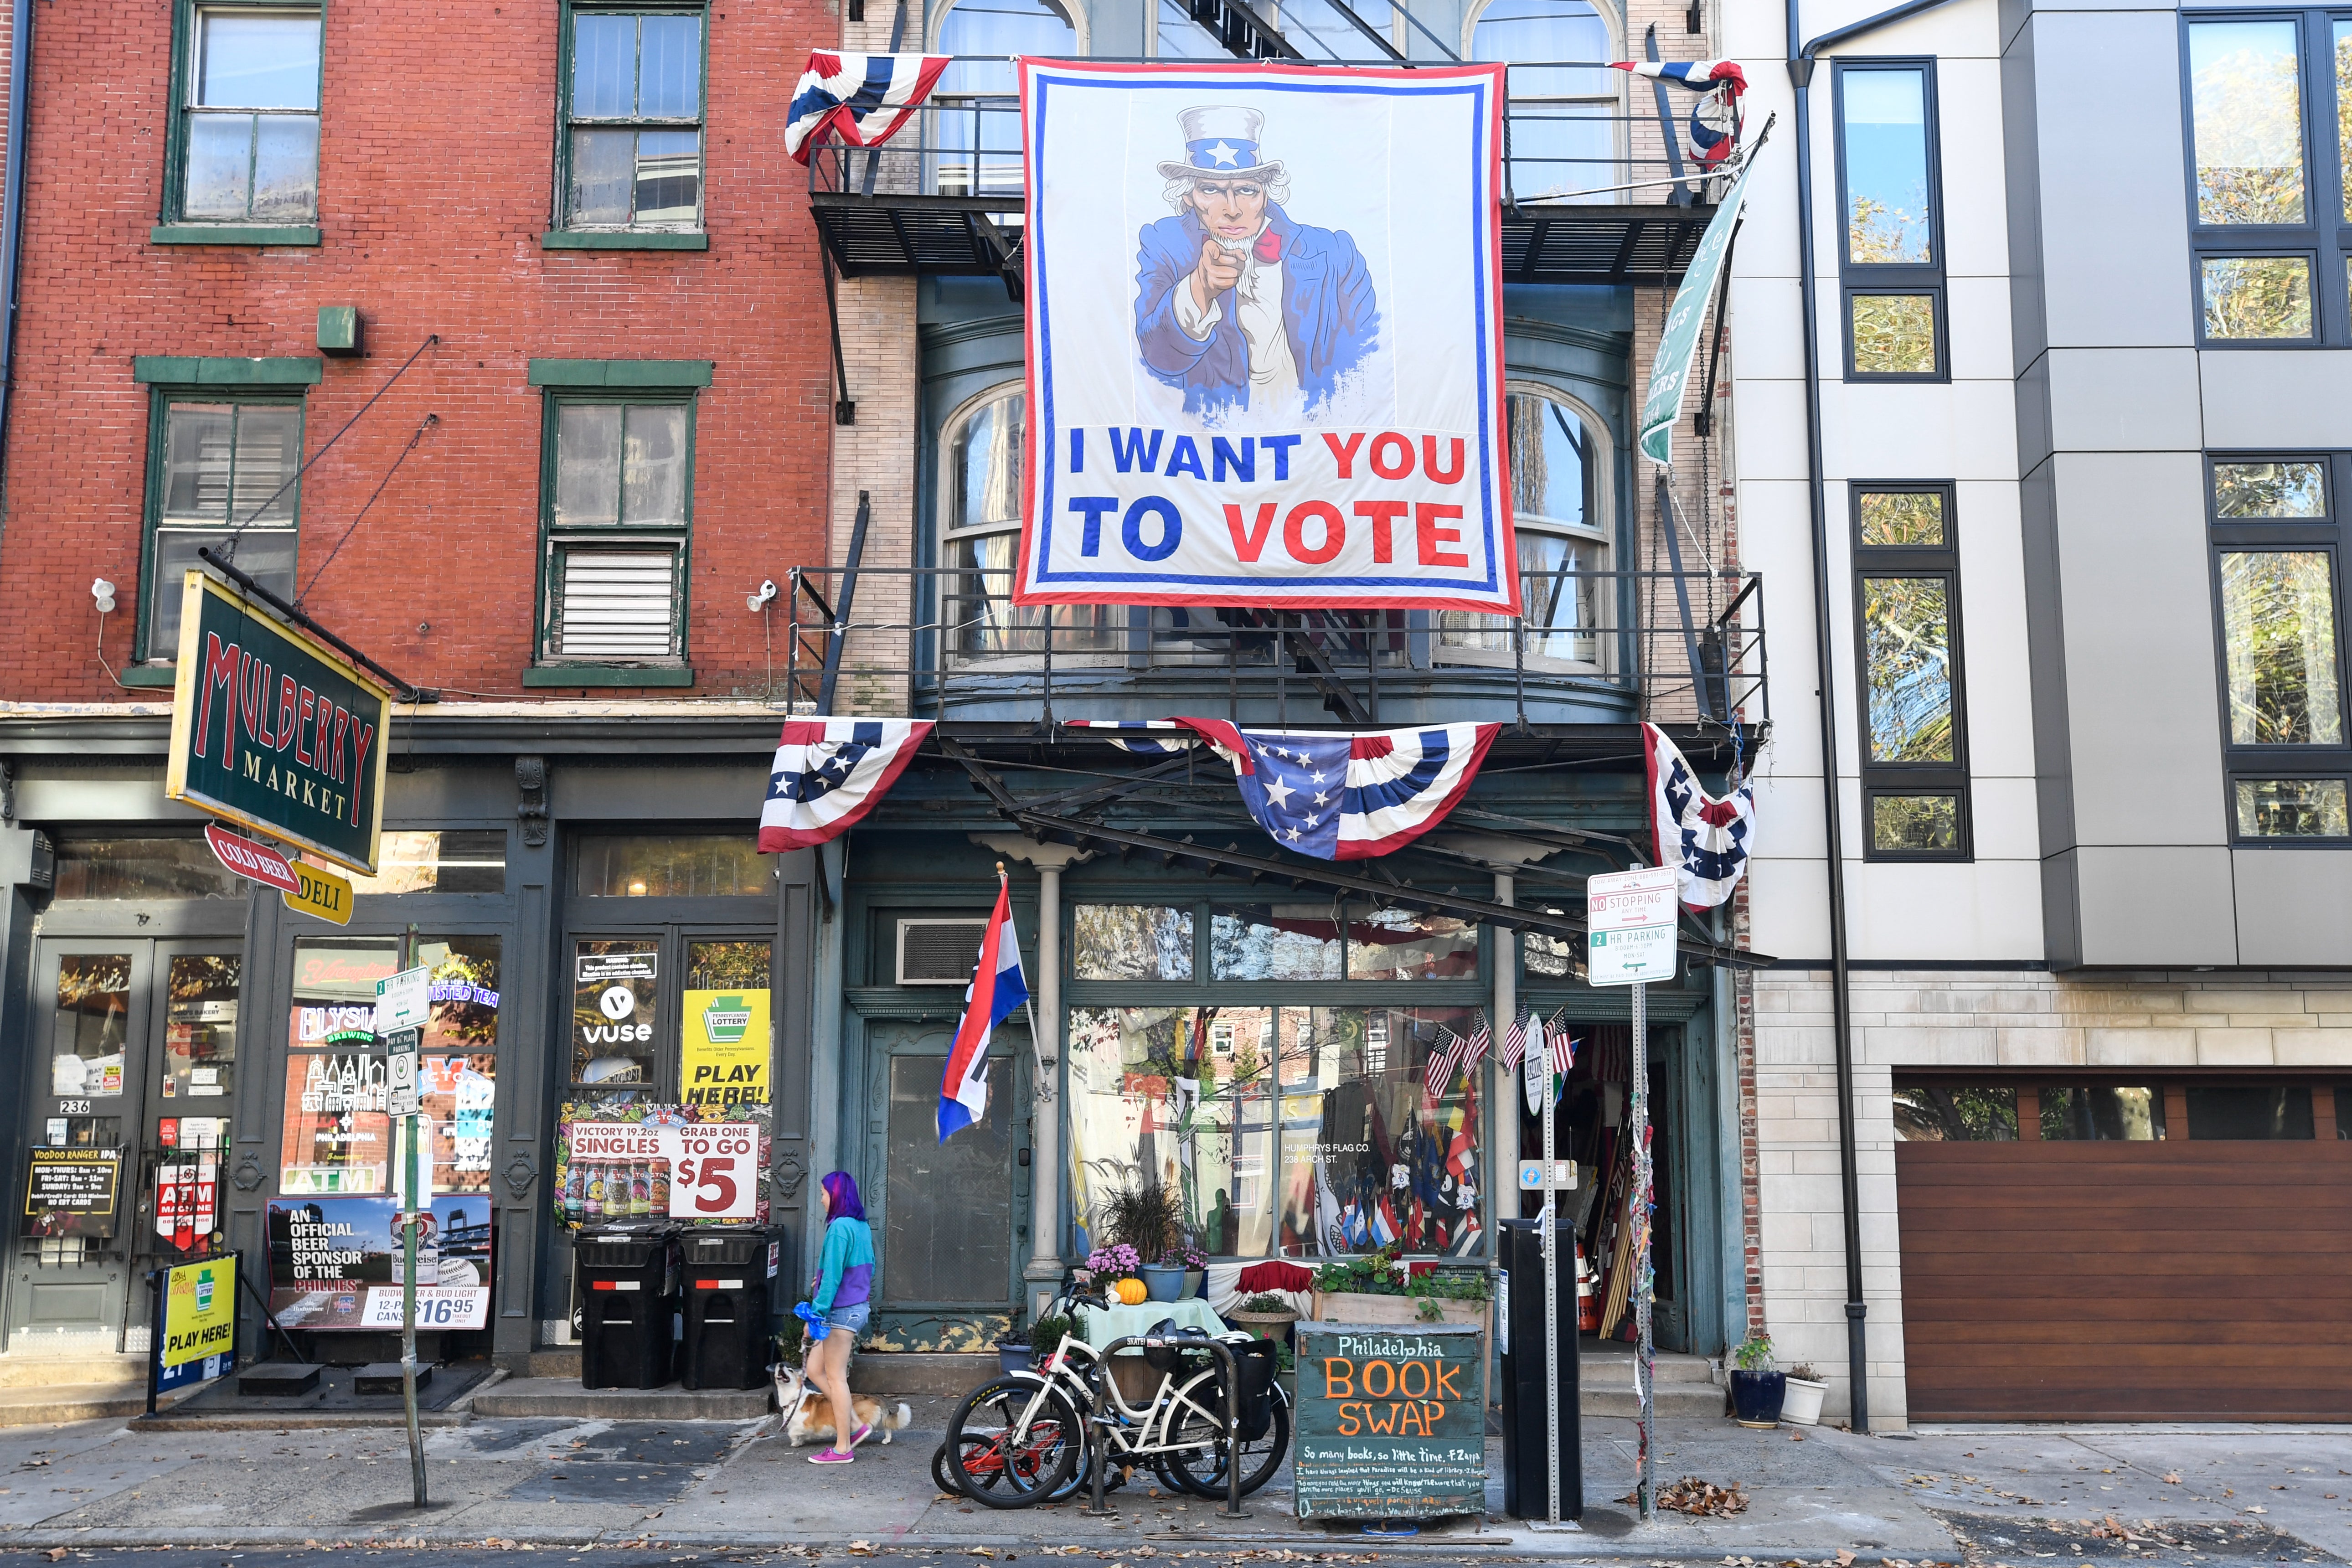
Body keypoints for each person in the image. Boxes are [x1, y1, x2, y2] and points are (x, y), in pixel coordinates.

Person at [1133, 105, 1380, 419]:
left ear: (1266, 195)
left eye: (1246, 190)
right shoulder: (1164, 245)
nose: (1232, 209)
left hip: (1315, 443)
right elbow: (1157, 358)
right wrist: (1199, 289)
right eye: (1211, 189)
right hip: (1215, 448)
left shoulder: (1334, 254)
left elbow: (1366, 371)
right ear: (1188, 198)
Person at [803, 1169, 877, 1465]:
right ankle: (856, 1428)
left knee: (835, 1379)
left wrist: (815, 1317)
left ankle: (843, 1448)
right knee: (814, 1369)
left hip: (841, 1312)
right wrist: (820, 1283)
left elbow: (833, 1276)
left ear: (835, 1195)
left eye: (823, 1193)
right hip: (854, 1307)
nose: (821, 1200)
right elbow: (858, 1270)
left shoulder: (838, 1228)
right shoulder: (859, 1226)